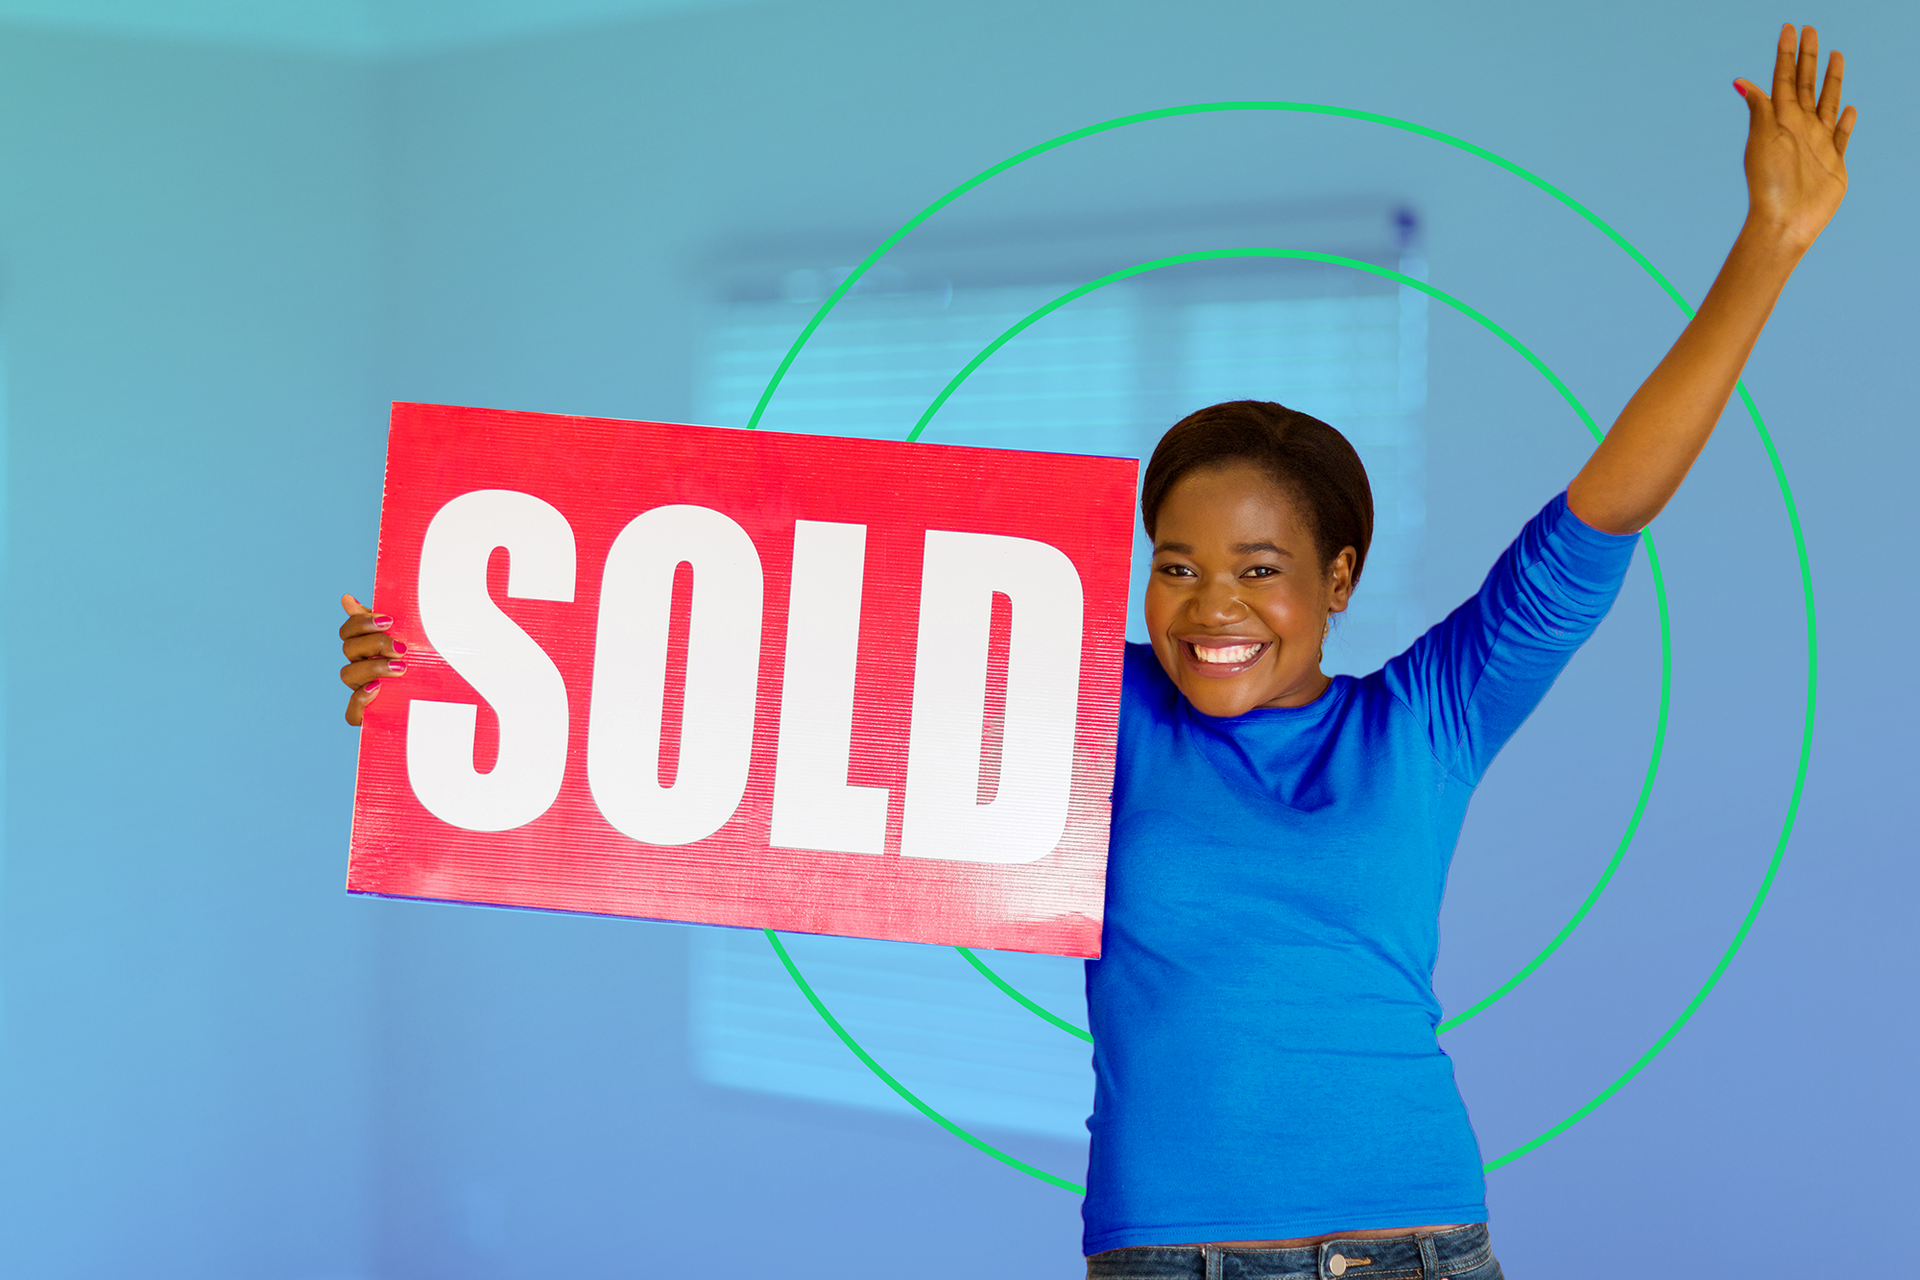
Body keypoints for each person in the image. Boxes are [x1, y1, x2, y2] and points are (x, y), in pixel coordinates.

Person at [334, 23, 1853, 1280]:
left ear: (1337, 579)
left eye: (1259, 571)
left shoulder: (1431, 720)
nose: (1211, 608)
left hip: (1420, 1254)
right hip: (1171, 1262)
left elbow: (1607, 508)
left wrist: (1769, 247)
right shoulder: (1083, 707)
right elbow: (757, 691)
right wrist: (443, 675)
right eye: (1177, 567)